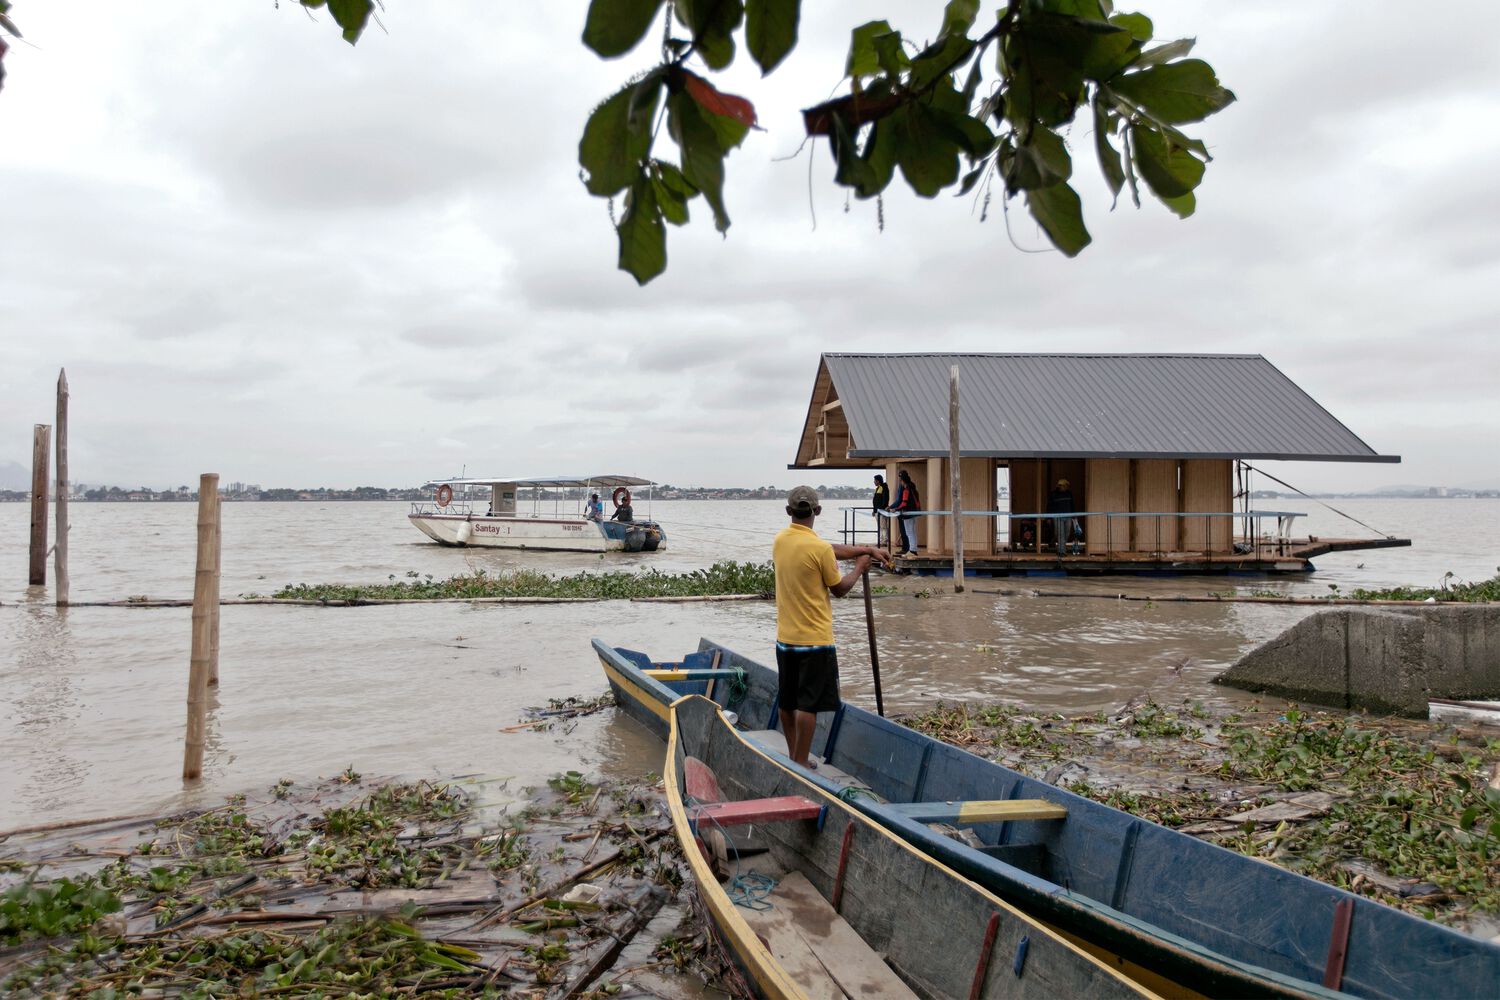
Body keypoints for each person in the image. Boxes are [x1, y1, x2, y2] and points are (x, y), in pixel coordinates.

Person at [773, 486, 891, 768]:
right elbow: (839, 588)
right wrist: (860, 567)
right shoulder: (820, 548)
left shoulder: (780, 540)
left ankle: (793, 756)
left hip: (785, 639)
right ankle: (801, 762)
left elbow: (827, 550)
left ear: (789, 511)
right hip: (815, 641)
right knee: (808, 705)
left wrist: (865, 549)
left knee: (787, 702)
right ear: (818, 511)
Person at [1047, 478, 1081, 555]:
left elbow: (1072, 505)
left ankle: (1061, 548)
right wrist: (1048, 517)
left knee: (1067, 533)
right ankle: (1061, 551)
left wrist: (1074, 515)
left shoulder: (1069, 493)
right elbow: (1049, 506)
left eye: (1066, 486)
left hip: (1068, 516)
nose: (1066, 487)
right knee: (1060, 534)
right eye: (1065, 486)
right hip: (1057, 517)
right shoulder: (1053, 494)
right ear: (1060, 486)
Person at [892, 469, 921, 555]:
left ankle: (912, 550)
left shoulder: (906, 489)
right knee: (913, 531)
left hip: (908, 513)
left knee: (909, 532)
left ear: (902, 481)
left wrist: (895, 509)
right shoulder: (913, 486)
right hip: (914, 512)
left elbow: (904, 503)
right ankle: (914, 549)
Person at [871, 474, 890, 549]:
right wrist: (874, 510)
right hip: (876, 511)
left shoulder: (883, 487)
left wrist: (882, 508)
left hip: (881, 511)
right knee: (880, 527)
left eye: (875, 480)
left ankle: (884, 541)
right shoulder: (878, 488)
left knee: (883, 526)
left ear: (878, 481)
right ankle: (881, 541)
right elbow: (876, 501)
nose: (874, 482)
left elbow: (885, 499)